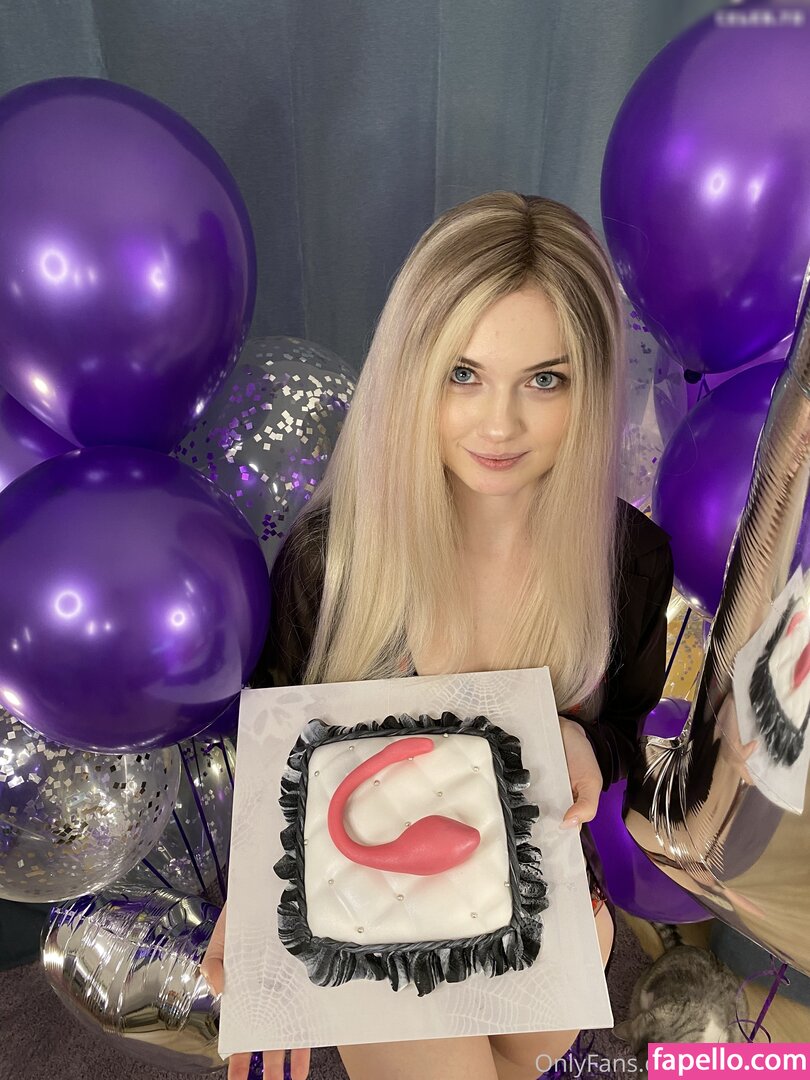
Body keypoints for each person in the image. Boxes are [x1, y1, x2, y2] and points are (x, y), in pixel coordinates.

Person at [201, 191, 674, 1080]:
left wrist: (587, 743)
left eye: (545, 379)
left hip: (548, 909)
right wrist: (264, 922)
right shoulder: (331, 562)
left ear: (590, 386)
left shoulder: (631, 560)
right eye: (464, 374)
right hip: (380, 924)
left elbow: (630, 732)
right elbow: (279, 764)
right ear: (413, 369)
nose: (500, 424)